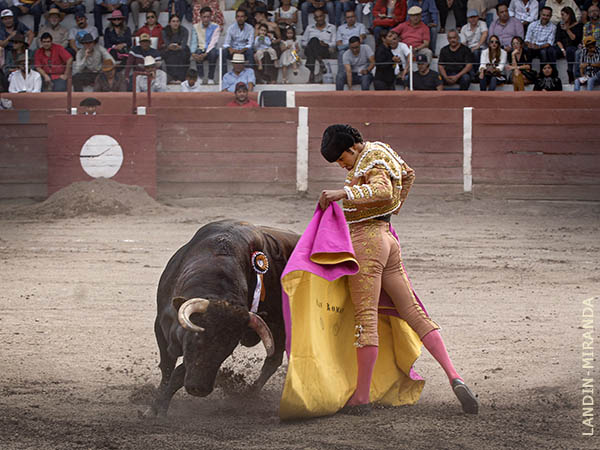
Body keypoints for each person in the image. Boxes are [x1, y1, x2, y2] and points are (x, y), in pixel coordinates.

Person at [317, 124, 479, 415]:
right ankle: (455, 376)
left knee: (365, 317)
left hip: (367, 241)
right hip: (388, 238)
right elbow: (408, 175)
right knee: (414, 312)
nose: (342, 165)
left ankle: (361, 398)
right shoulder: (383, 151)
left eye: (342, 159)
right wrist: (390, 210)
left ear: (353, 148)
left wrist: (346, 194)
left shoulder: (371, 156)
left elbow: (382, 189)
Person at [301, 7, 336, 83]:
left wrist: (326, 44)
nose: (319, 19)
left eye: (321, 16)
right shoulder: (309, 27)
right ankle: (320, 61)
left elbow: (334, 43)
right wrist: (310, 44)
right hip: (310, 48)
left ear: (324, 16)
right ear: (314, 19)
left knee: (313, 43)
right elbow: (303, 42)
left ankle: (312, 73)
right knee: (313, 40)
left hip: (324, 50)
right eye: (317, 17)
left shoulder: (332, 27)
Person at [190, 6, 220, 85]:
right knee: (197, 52)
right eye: (204, 17)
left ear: (211, 17)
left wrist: (205, 54)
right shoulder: (195, 27)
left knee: (213, 53)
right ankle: (200, 77)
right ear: (200, 17)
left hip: (210, 49)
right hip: (200, 48)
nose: (206, 19)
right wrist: (193, 53)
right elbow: (193, 41)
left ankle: (211, 77)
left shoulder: (216, 27)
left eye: (208, 17)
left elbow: (213, 42)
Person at [552, 6, 582, 82]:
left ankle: (570, 70)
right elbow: (558, 40)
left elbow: (575, 39)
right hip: (562, 47)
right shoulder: (560, 25)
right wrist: (562, 50)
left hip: (573, 46)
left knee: (570, 50)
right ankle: (553, 72)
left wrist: (567, 29)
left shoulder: (577, 25)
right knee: (551, 50)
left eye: (563, 14)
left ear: (569, 15)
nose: (562, 17)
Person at [162, 14, 190, 83]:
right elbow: (167, 43)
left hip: (180, 49)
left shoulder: (184, 30)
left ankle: (181, 78)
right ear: (169, 23)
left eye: (177, 21)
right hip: (169, 49)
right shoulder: (165, 31)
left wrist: (178, 47)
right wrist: (171, 47)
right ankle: (172, 78)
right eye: (173, 21)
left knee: (183, 53)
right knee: (170, 55)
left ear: (180, 23)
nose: (175, 23)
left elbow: (184, 44)